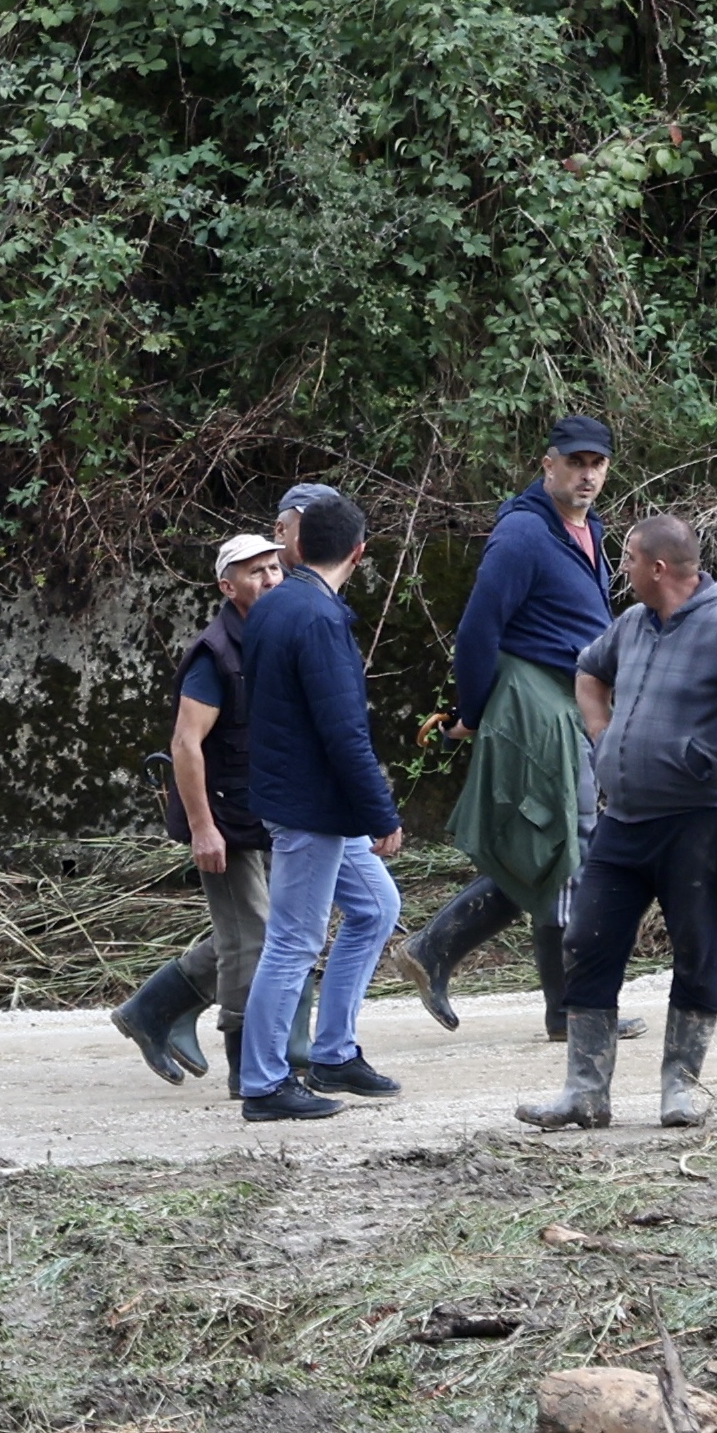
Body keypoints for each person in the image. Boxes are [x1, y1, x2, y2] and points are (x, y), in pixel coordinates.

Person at [518, 505, 717, 1131]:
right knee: (587, 940)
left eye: (629, 560)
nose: (622, 571)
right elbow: (588, 670)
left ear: (658, 567)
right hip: (625, 821)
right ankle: (585, 1093)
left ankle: (680, 1090)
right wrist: (602, 735)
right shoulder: (632, 623)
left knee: (697, 949)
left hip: (699, 821)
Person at [404, 412, 616, 1020]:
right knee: (565, 844)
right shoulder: (524, 533)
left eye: (596, 464)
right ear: (547, 465)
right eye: (574, 463)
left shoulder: (589, 529)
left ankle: (442, 952)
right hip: (538, 707)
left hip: (573, 704)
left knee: (555, 847)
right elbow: (478, 629)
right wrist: (472, 712)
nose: (586, 475)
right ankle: (564, 1006)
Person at [223, 480, 404, 1120]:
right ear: (359, 551)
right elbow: (343, 731)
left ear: (296, 546)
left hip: (303, 798)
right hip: (310, 806)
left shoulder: (277, 603)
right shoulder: (319, 618)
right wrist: (381, 813)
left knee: (377, 907)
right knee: (294, 942)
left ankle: (333, 1053)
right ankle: (264, 1083)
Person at [111, 530, 282, 1087]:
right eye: (256, 572)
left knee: (262, 928)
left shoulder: (270, 636)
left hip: (259, 809)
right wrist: (203, 828)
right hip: (224, 817)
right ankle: (247, 1067)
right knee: (251, 935)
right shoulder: (215, 654)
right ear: (228, 587)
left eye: (274, 568)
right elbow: (185, 744)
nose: (270, 579)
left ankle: (153, 1010)